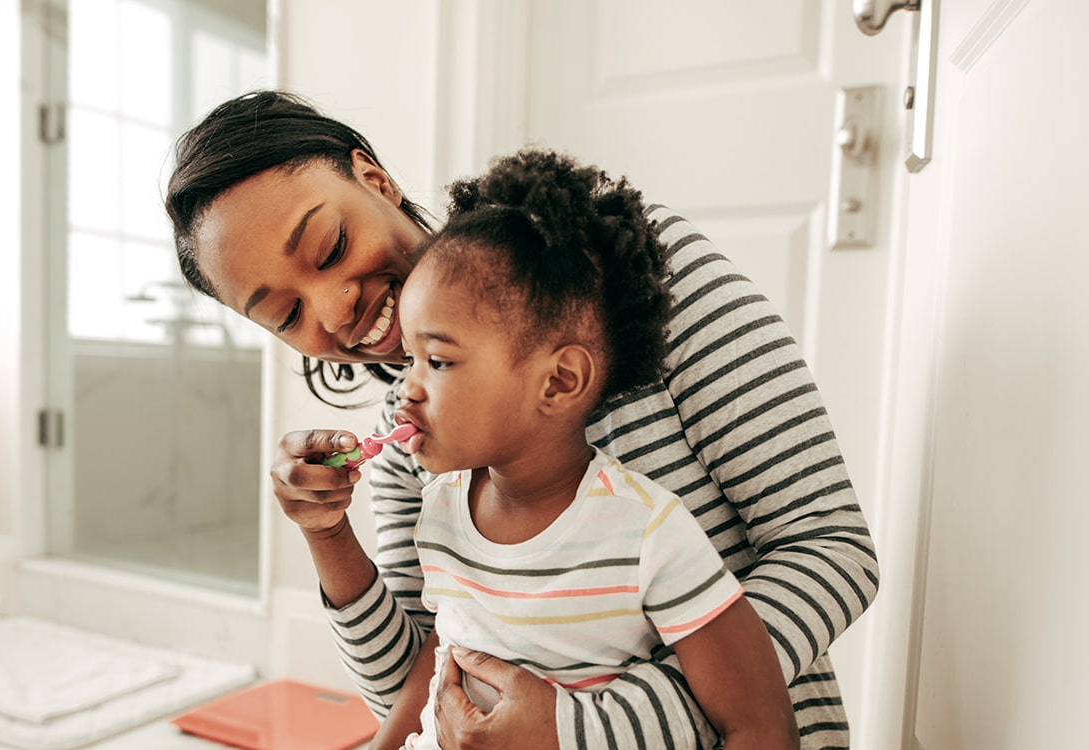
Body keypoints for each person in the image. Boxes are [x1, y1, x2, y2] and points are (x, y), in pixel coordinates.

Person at [165, 90, 879, 749]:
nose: (332, 309)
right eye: (286, 314)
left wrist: (584, 729)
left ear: (374, 180)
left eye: (330, 248)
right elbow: (419, 689)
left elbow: (831, 547)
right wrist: (327, 536)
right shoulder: (415, 445)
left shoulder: (629, 279)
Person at [361, 149, 799, 750]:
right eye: (409, 358)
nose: (406, 387)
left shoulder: (646, 533)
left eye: (436, 361)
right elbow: (449, 650)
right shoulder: (439, 509)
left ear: (560, 381)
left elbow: (760, 725)